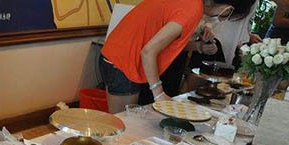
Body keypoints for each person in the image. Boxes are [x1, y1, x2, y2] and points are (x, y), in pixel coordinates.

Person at [100, 0, 256, 113]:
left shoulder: (192, 5)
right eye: (228, 15)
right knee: (123, 125)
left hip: (120, 55)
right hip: (122, 61)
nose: (223, 19)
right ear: (227, 8)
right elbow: (148, 51)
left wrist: (198, 47)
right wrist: (159, 94)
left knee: (126, 123)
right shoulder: (192, 9)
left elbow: (165, 42)